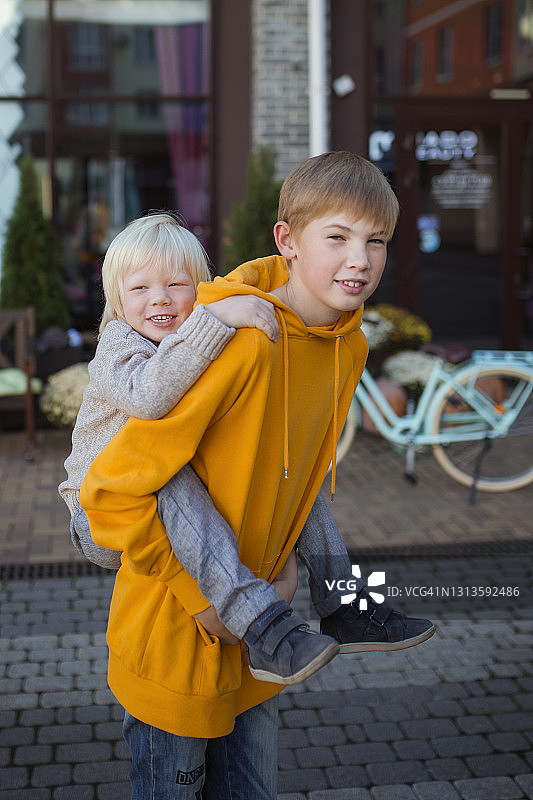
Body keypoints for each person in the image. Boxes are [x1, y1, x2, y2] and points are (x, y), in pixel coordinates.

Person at [81, 152, 435, 799]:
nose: (358, 259)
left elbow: (293, 476)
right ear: (286, 241)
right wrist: (205, 604)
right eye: (337, 238)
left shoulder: (347, 346)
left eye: (375, 241)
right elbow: (112, 492)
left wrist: (292, 571)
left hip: (267, 641)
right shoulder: (238, 342)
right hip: (178, 632)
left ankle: (347, 605)